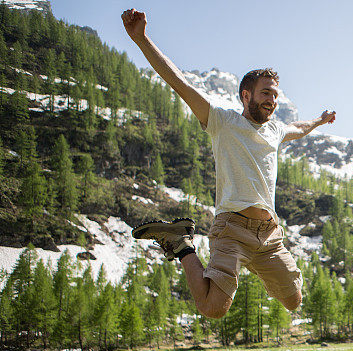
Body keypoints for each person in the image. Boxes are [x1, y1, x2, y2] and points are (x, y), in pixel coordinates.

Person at [121, 8, 335, 319]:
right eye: (265, 94)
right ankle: (180, 244)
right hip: (232, 230)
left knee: (293, 301)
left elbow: (299, 129)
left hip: (269, 235)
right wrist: (142, 39)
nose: (272, 101)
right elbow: (178, 82)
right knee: (212, 309)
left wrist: (320, 119)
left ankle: (258, 267)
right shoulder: (222, 121)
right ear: (246, 96)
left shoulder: (275, 130)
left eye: (275, 96)